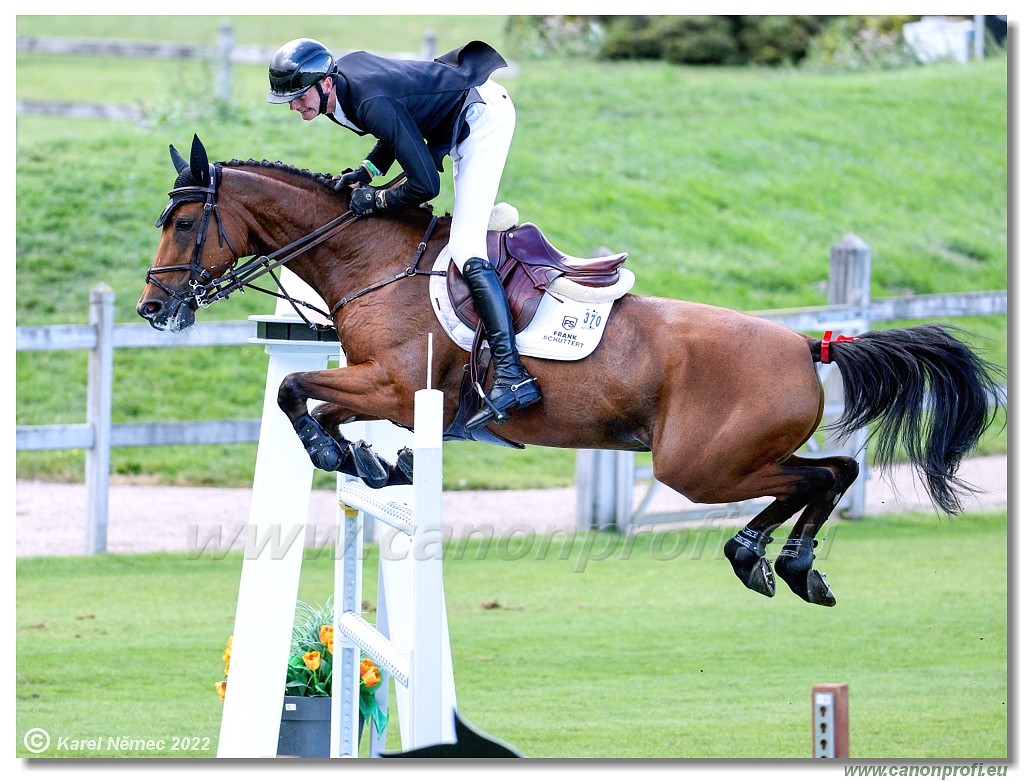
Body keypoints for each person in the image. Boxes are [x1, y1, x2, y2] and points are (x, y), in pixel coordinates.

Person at [267, 37, 540, 430]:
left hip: (481, 118)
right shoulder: (341, 89)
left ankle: (512, 374)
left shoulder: (365, 100)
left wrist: (375, 202)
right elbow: (395, 130)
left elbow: (425, 185)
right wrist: (368, 172)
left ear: (326, 83)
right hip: (447, 117)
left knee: (465, 248)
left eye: (298, 96)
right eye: (288, 100)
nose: (294, 106)